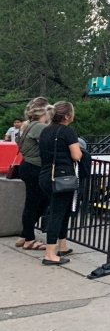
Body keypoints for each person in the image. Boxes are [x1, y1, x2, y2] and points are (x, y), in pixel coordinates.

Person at [38, 102, 82, 266]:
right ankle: (50, 253)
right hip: (62, 178)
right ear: (66, 116)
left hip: (46, 175)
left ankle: (62, 245)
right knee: (57, 215)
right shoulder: (67, 131)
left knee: (60, 211)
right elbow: (77, 155)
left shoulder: (45, 130)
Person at [13, 98, 50, 251]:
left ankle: (25, 234)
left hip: (26, 165)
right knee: (37, 203)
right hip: (36, 167)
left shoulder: (26, 126)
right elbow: (47, 145)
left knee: (33, 202)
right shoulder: (39, 127)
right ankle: (29, 239)